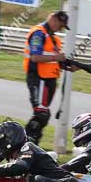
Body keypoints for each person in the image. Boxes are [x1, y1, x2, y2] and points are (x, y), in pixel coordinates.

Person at [24, 11, 69, 145]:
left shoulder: (54, 39)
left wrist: (71, 66)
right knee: (42, 113)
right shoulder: (39, 33)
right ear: (53, 19)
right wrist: (56, 57)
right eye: (60, 25)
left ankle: (30, 143)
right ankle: (26, 142)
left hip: (49, 80)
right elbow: (35, 57)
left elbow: (55, 61)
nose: (60, 29)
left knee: (43, 114)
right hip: (39, 78)